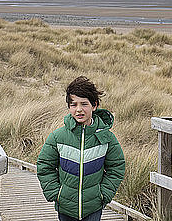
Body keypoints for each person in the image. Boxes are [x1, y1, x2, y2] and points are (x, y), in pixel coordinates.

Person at [37, 76, 125, 221]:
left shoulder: (107, 138)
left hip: (93, 207)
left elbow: (117, 167)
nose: (79, 110)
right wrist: (56, 193)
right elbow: (44, 165)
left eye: (84, 104)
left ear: (94, 105)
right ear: (69, 107)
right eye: (74, 105)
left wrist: (103, 194)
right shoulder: (58, 137)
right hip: (65, 206)